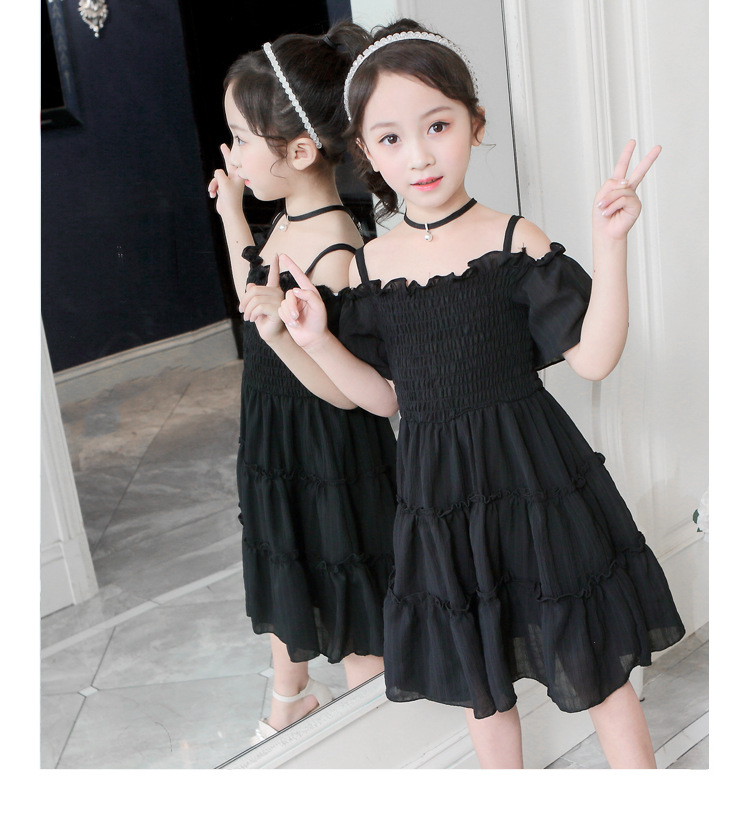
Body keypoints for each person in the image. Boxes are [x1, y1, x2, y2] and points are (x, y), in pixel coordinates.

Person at [276, 19, 686, 768]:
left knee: (592, 657)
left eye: (438, 126)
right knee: (482, 683)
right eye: (392, 138)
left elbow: (595, 358)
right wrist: (316, 340)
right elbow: (384, 400)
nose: (420, 155)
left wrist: (610, 245)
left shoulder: (512, 240)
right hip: (440, 498)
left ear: (475, 123)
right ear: (366, 152)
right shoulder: (370, 266)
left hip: (535, 482)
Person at [207, 22, 398, 745]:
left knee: (347, 580)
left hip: (328, 445)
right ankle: (290, 697)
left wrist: (281, 334)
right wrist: (233, 217)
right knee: (282, 553)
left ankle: (375, 724)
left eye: (241, 138)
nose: (232, 154)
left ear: (298, 151)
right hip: (275, 425)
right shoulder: (288, 222)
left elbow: (346, 392)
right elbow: (252, 294)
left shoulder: (337, 247)